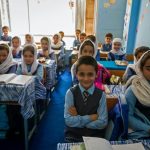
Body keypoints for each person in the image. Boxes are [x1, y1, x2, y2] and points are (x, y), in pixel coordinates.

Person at [64, 56, 108, 142]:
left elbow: (103, 122)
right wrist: (91, 118)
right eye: (81, 74)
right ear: (76, 75)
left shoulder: (101, 94)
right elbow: (68, 121)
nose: (86, 78)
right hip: (73, 135)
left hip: (95, 135)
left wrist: (78, 119)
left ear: (96, 75)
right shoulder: (70, 93)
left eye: (90, 74)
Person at [125, 50, 150, 139]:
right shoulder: (134, 89)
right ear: (141, 69)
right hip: (140, 131)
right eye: (148, 68)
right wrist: (148, 129)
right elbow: (128, 117)